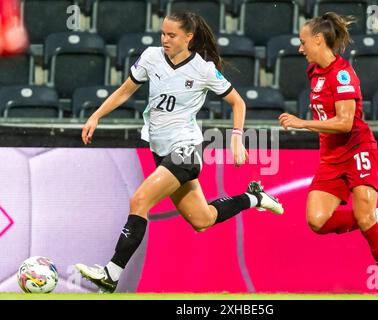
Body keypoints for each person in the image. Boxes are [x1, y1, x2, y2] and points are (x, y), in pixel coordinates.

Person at [75, 11, 283, 293]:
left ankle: (111, 274)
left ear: (189, 37)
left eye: (172, 35)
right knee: (202, 219)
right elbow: (125, 90)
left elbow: (238, 103)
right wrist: (96, 115)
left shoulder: (203, 69)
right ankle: (254, 197)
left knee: (139, 201)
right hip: (161, 151)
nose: (165, 40)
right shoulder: (151, 57)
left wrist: (237, 138)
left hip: (185, 149)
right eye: (163, 33)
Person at [278, 12, 378, 296]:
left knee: (364, 218)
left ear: (319, 40)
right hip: (331, 156)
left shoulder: (341, 73)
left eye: (303, 42)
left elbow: (345, 122)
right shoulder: (314, 72)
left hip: (358, 149)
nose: (300, 48)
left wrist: (302, 123)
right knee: (316, 220)